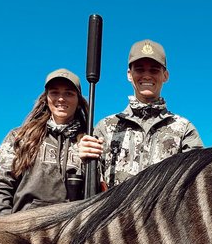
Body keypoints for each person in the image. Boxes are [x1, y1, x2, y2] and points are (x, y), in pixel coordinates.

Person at [78, 39, 202, 188]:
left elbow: (199, 179)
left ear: (165, 75)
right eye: (140, 69)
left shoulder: (184, 129)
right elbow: (90, 184)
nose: (147, 75)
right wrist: (84, 159)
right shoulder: (105, 127)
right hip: (117, 211)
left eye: (154, 70)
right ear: (129, 74)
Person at [0, 68, 88, 217]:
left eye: (69, 93)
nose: (61, 98)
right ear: (46, 98)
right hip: (23, 231)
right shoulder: (20, 136)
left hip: (72, 232)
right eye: (54, 92)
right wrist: (4, 230)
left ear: (78, 101)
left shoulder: (89, 142)